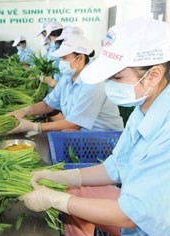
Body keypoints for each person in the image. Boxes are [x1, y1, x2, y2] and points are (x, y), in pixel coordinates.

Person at [19, 18, 170, 235]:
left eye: (117, 77)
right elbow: (116, 166)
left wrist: (56, 199)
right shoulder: (143, 110)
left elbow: (131, 214)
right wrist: (65, 177)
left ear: (153, 75)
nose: (109, 84)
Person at [7, 35, 123, 135]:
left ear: (80, 58)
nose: (61, 62)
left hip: (103, 139)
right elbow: (48, 105)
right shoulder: (67, 78)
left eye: (64, 58)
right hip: (82, 135)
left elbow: (75, 124)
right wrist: (26, 111)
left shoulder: (94, 82)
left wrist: (34, 127)